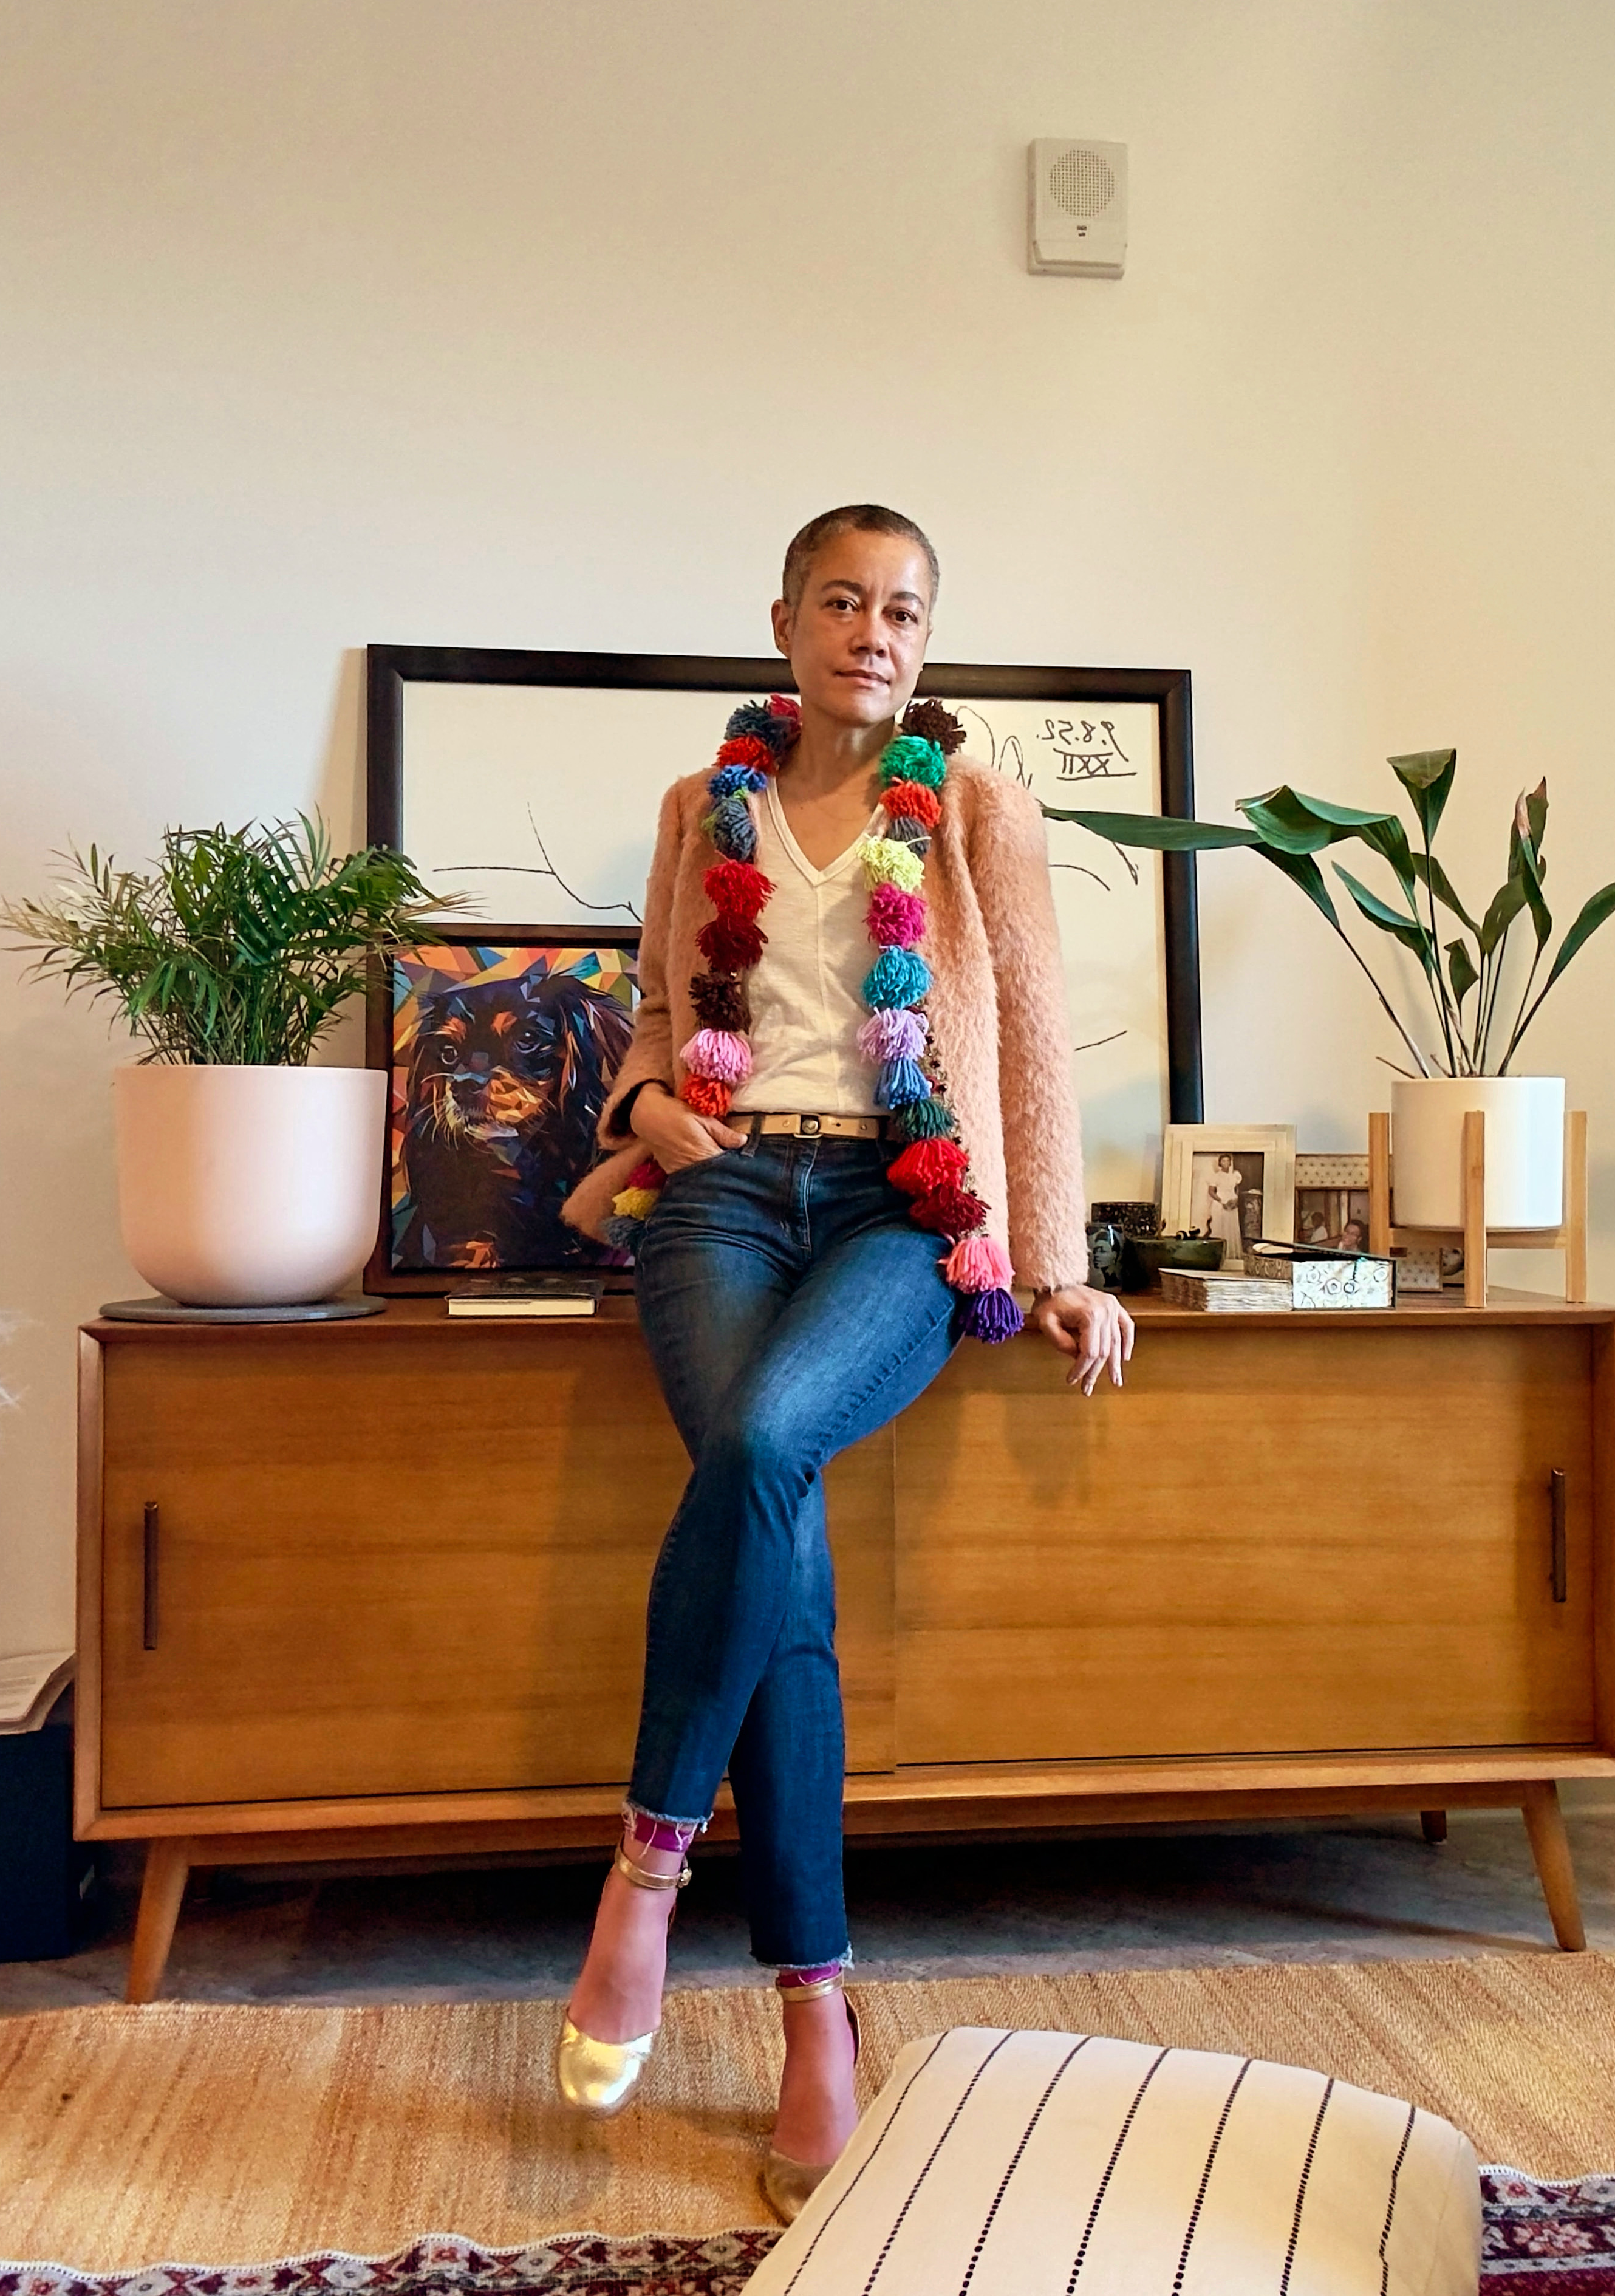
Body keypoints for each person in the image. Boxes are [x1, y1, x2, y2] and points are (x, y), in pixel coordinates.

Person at [556, 503, 1134, 2219]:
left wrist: (1059, 1263)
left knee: (758, 1448)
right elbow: (661, 1018)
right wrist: (651, 1104)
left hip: (899, 1204)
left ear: (923, 642)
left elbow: (1028, 1026)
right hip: (722, 1194)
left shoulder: (972, 813)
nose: (872, 632)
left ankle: (650, 1869)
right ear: (787, 621)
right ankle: (819, 2008)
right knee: (776, 1525)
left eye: (903, 611)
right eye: (842, 601)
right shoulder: (699, 809)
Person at [1203, 1153, 1245, 1257]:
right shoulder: (1216, 1176)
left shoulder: (1235, 1175)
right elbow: (1211, 1192)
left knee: (1231, 1227)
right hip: (1220, 1203)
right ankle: (1219, 1254)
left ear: (1230, 1163)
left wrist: (1236, 1201)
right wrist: (1223, 1202)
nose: (1226, 1163)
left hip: (1233, 1203)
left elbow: (1237, 1190)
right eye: (1223, 1161)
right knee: (1220, 1227)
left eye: (1228, 1161)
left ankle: (1231, 1253)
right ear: (1220, 1163)